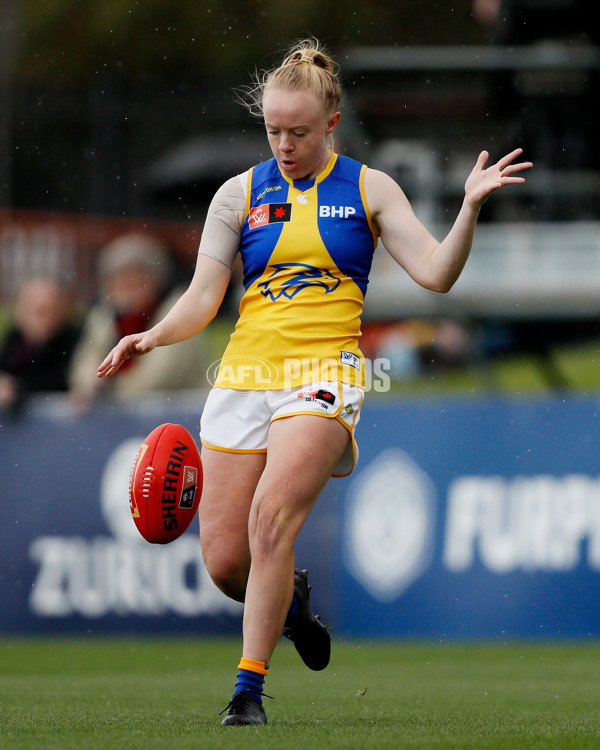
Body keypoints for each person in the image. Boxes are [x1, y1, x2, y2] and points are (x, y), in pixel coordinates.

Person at [98, 38, 532, 726]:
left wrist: (469, 210)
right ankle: (293, 606)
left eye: (298, 132)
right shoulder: (238, 194)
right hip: (243, 375)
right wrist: (151, 335)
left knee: (272, 520)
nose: (284, 144)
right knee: (224, 562)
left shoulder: (368, 187)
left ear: (331, 124)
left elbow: (437, 274)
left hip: (323, 375)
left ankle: (247, 690)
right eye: (273, 130)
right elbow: (204, 296)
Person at [69, 231, 209, 408]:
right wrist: (88, 382)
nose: (126, 292)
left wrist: (108, 390)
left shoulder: (177, 310)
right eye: (119, 283)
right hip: (129, 416)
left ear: (155, 280)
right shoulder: (106, 316)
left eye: (135, 282)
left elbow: (159, 378)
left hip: (179, 416)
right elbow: (87, 359)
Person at [0, 276, 81, 414]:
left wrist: (17, 388)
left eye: (45, 311)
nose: (39, 320)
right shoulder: (14, 339)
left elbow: (62, 382)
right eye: (33, 310)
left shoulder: (73, 340)